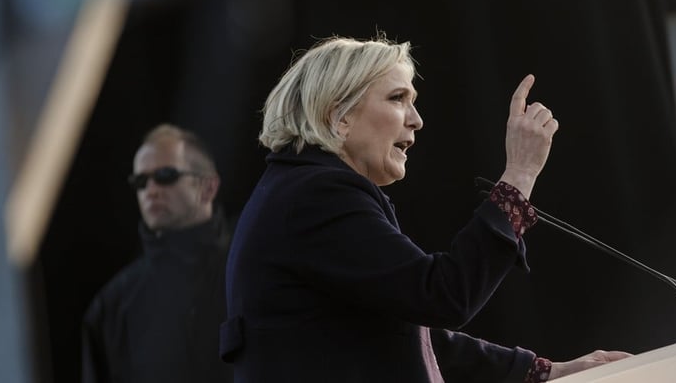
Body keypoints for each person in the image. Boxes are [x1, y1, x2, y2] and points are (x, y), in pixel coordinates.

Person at [220, 35, 630, 382]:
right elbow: (444, 296)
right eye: (398, 98)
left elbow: (410, 332)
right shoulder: (317, 195)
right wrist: (519, 175)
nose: (416, 120)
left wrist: (543, 371)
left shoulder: (299, 189)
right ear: (338, 116)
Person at [82, 124, 234, 383]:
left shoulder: (248, 268)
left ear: (208, 187)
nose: (150, 191)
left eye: (165, 175)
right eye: (140, 181)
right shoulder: (111, 306)